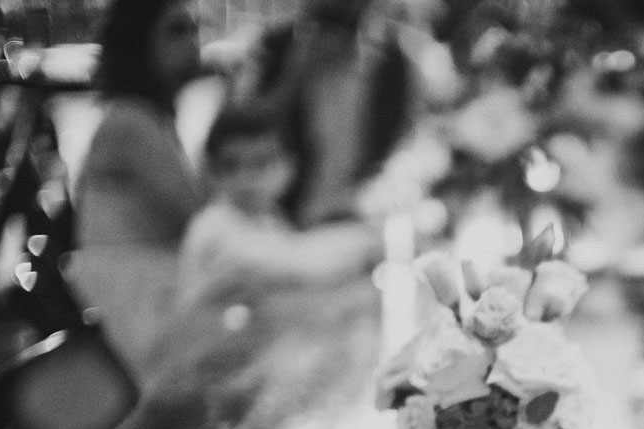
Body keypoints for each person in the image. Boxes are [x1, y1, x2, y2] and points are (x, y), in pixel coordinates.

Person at [70, 0, 205, 381]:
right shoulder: (130, 121)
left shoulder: (145, 117)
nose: (194, 42)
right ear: (138, 43)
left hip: (147, 291)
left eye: (194, 29)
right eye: (177, 30)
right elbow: (198, 217)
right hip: (134, 303)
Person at [176, 104, 383, 309]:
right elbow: (296, 265)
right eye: (231, 165)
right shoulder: (213, 225)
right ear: (209, 171)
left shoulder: (269, 220)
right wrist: (374, 241)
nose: (246, 177)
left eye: (261, 163)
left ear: (288, 167)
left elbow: (299, 253)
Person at [236, 0, 417, 227]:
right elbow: (242, 130)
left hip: (354, 215)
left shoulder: (390, 62)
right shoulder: (277, 48)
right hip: (280, 219)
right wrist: (295, 75)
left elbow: (401, 142)